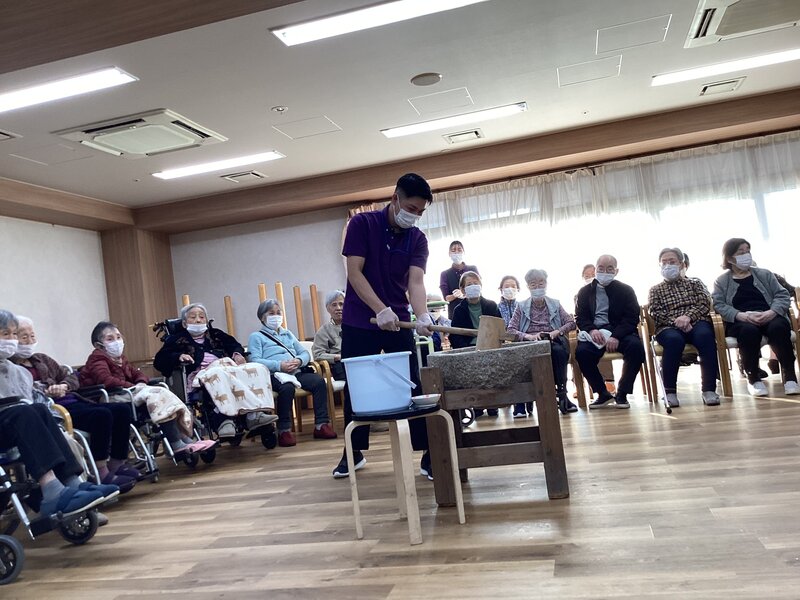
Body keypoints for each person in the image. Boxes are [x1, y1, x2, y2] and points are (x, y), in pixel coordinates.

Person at [332, 173, 434, 479]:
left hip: (398, 322)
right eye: (411, 208)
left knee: (411, 384)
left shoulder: (417, 239)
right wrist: (380, 308)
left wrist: (422, 315)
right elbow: (354, 273)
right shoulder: (361, 224)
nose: (414, 216)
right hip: (359, 321)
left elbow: (416, 282)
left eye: (420, 212)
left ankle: (428, 453)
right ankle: (353, 453)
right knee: (356, 387)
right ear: (395, 199)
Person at [0, 309, 118, 517]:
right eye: (5, 334)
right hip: (8, 425)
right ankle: (52, 490)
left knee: (39, 409)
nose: (11, 340)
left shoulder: (17, 371)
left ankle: (72, 483)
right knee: (24, 412)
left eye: (13, 334)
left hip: (14, 425)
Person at [12, 316, 141, 488]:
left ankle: (117, 464)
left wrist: (64, 385)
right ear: (13, 338)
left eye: (32, 336)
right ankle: (101, 471)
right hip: (55, 410)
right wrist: (47, 392)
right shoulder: (11, 369)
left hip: (74, 400)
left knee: (121, 410)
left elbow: (71, 376)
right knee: (102, 415)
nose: (30, 341)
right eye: (24, 337)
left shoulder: (41, 359)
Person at [80, 321, 215, 459]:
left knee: (164, 394)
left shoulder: (120, 359)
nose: (116, 342)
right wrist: (132, 386)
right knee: (158, 396)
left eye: (118, 337)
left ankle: (184, 438)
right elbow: (106, 381)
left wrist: (140, 382)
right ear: (98, 345)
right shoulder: (97, 360)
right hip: (110, 396)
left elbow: (138, 374)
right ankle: (176, 444)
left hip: (126, 393)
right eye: (110, 339)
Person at [154, 303, 277, 439]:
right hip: (202, 375)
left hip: (227, 370)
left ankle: (255, 414)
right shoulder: (176, 339)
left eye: (202, 317)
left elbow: (234, 345)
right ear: (184, 323)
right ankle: (224, 421)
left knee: (258, 368)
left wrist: (237, 354)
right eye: (193, 317)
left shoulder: (216, 334)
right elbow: (160, 360)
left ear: (207, 321)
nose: (198, 320)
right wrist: (178, 356)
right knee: (218, 373)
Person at [711, 238, 799, 397]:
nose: (746, 255)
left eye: (747, 251)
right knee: (749, 332)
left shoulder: (765, 274)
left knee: (779, 327)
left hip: (769, 314)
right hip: (741, 320)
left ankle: (790, 377)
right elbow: (718, 304)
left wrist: (772, 312)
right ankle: (754, 378)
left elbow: (782, 295)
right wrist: (740, 315)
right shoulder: (721, 281)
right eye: (741, 252)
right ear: (729, 258)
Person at [248, 299, 337, 446]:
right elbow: (254, 360)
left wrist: (299, 361)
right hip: (274, 374)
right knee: (287, 388)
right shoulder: (256, 337)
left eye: (278, 313)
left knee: (318, 382)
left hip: (296, 371)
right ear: (262, 317)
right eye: (271, 313)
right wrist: (279, 365)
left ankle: (321, 425)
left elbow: (305, 353)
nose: (276, 316)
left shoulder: (287, 334)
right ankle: (284, 430)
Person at [647, 248, 720, 407]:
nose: (668, 265)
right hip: (668, 326)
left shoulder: (695, 283)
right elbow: (655, 312)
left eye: (672, 261)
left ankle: (709, 389)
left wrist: (688, 318)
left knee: (705, 336)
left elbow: (704, 303)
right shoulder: (655, 289)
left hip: (696, 321)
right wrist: (676, 321)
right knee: (674, 341)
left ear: (681, 264)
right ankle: (669, 392)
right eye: (664, 262)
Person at [575, 254, 645, 409]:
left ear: (616, 271)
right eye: (601, 268)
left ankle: (622, 394)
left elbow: (632, 317)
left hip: (620, 332)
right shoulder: (584, 292)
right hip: (595, 333)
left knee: (636, 348)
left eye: (609, 269)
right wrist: (592, 330)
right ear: (595, 269)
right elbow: (581, 317)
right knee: (582, 353)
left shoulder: (626, 290)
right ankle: (602, 393)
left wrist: (616, 336)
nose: (604, 272)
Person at [508, 269, 578, 416]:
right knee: (520, 357)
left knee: (558, 352)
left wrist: (556, 332)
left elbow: (571, 323)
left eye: (541, 283)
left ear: (546, 284)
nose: (538, 287)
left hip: (552, 341)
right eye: (533, 284)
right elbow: (511, 330)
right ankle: (521, 402)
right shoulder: (521, 306)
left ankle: (562, 394)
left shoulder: (555, 304)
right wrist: (529, 337)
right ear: (528, 286)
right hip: (530, 343)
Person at [450, 271, 502, 418]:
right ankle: (477, 405)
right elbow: (455, 335)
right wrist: (467, 349)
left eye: (475, 283)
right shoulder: (459, 310)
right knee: (473, 377)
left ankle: (492, 404)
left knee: (491, 375)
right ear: (462, 289)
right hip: (469, 347)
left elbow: (499, 327)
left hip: (489, 346)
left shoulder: (491, 305)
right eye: (469, 284)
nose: (473, 286)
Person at [577, 264, 616, 395]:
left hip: (610, 329)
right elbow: (580, 317)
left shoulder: (613, 290)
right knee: (581, 350)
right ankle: (597, 390)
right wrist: (591, 330)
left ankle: (609, 381)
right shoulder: (581, 293)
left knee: (605, 341)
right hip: (590, 330)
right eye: (586, 276)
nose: (590, 278)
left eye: (592, 275)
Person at [439, 240, 479, 320]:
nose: (456, 252)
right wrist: (455, 295)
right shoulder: (445, 274)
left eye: (459, 250)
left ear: (464, 252)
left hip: (475, 309)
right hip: (455, 312)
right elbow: (446, 298)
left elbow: (479, 289)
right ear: (449, 254)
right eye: (453, 250)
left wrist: (464, 292)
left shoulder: (473, 269)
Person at [312, 290, 346, 381]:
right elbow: (318, 354)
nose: (338, 308)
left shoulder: (355, 325)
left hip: (356, 360)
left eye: (341, 304)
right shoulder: (323, 331)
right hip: (339, 364)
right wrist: (336, 357)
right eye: (334, 305)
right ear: (328, 308)